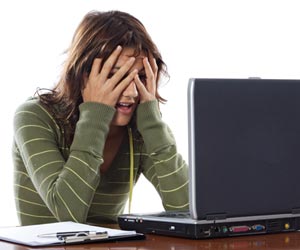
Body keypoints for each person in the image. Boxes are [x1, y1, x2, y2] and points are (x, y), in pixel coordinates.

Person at [12, 10, 189, 226]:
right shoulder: (34, 117)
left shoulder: (142, 127)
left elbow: (188, 210)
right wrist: (95, 115)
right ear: (83, 74)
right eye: (116, 76)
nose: (132, 92)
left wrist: (152, 124)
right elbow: (67, 214)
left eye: (141, 76)